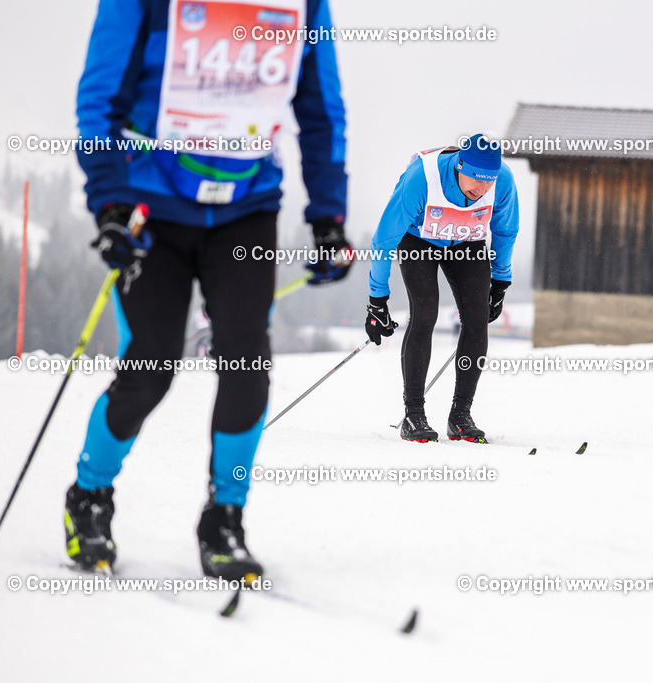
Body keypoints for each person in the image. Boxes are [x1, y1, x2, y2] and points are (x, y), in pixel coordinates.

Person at [65, 0, 352, 579]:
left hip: (245, 209)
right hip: (152, 206)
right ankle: (88, 497)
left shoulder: (302, 6)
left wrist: (328, 217)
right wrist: (111, 202)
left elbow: (320, 110)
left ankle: (224, 518)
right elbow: (101, 98)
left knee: (247, 360)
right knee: (150, 367)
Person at [366, 134, 519, 443]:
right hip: (419, 240)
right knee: (425, 314)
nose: (482, 189)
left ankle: (461, 415)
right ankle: (414, 415)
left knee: (476, 321)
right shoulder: (422, 178)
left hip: (467, 241)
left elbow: (506, 229)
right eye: (475, 180)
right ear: (459, 166)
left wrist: (501, 281)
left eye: (488, 183)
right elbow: (384, 240)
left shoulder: (502, 180)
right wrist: (377, 299)